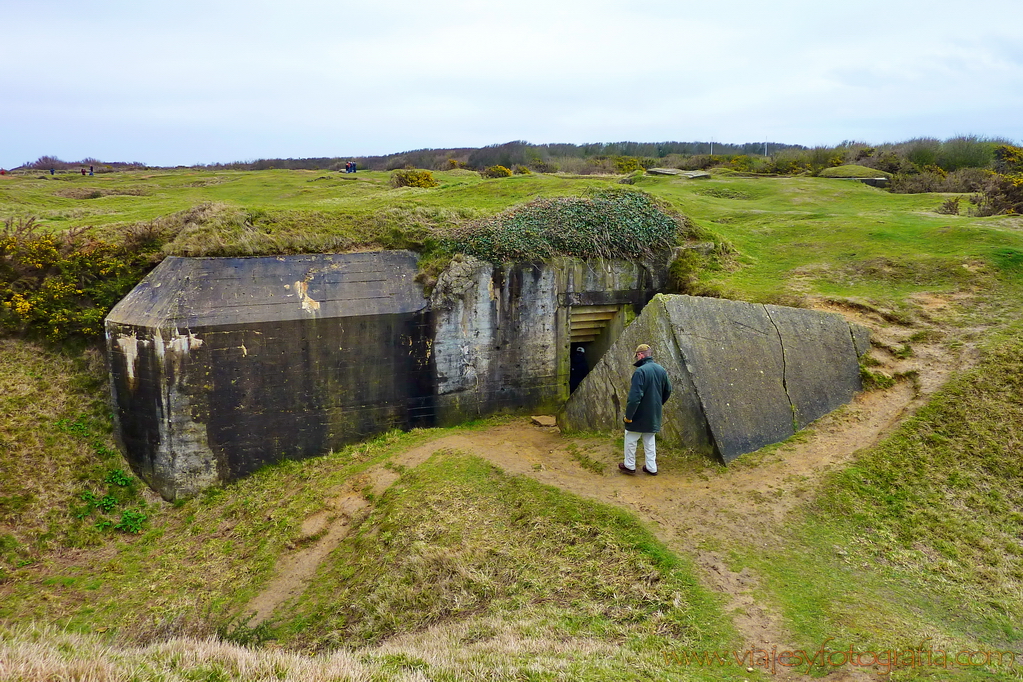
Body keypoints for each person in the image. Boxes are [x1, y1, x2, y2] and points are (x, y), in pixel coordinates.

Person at [619, 344, 671, 476]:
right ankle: (651, 467)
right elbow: (668, 390)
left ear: (640, 355)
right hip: (654, 412)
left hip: (639, 413)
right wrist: (658, 404)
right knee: (649, 439)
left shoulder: (640, 372)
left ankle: (629, 465)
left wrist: (629, 416)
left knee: (631, 437)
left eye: (637, 355)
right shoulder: (661, 370)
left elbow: (635, 397)